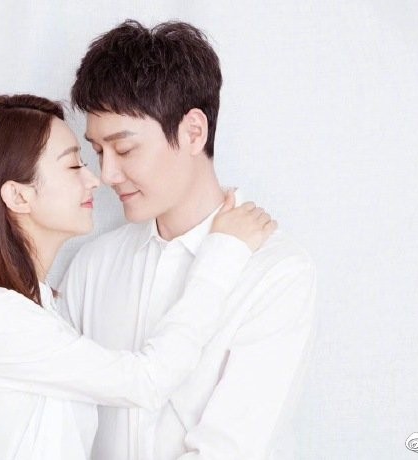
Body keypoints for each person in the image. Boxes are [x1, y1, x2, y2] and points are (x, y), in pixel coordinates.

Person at [0, 94, 276, 459]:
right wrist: (221, 255)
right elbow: (148, 381)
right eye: (73, 165)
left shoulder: (32, 307)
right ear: (19, 197)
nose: (96, 179)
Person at [60, 20, 317, 460]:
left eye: (124, 149)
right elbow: (60, 426)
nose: (107, 175)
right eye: (98, 152)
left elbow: (227, 450)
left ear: (193, 132)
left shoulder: (277, 273)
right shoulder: (93, 265)